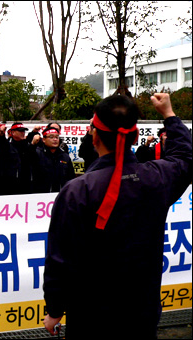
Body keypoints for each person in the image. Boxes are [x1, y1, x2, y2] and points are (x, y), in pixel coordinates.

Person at [43, 93, 192, 339]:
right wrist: (169, 115)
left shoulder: (78, 190)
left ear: (95, 136)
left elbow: (61, 259)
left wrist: (55, 310)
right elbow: (185, 157)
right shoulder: (156, 178)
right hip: (142, 312)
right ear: (135, 137)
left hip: (91, 316)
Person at [30, 126, 75, 193]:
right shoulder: (37, 153)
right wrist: (32, 144)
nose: (55, 139)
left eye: (57, 137)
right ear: (44, 139)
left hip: (60, 195)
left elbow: (71, 178)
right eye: (51, 137)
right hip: (39, 197)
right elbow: (26, 159)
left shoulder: (65, 156)